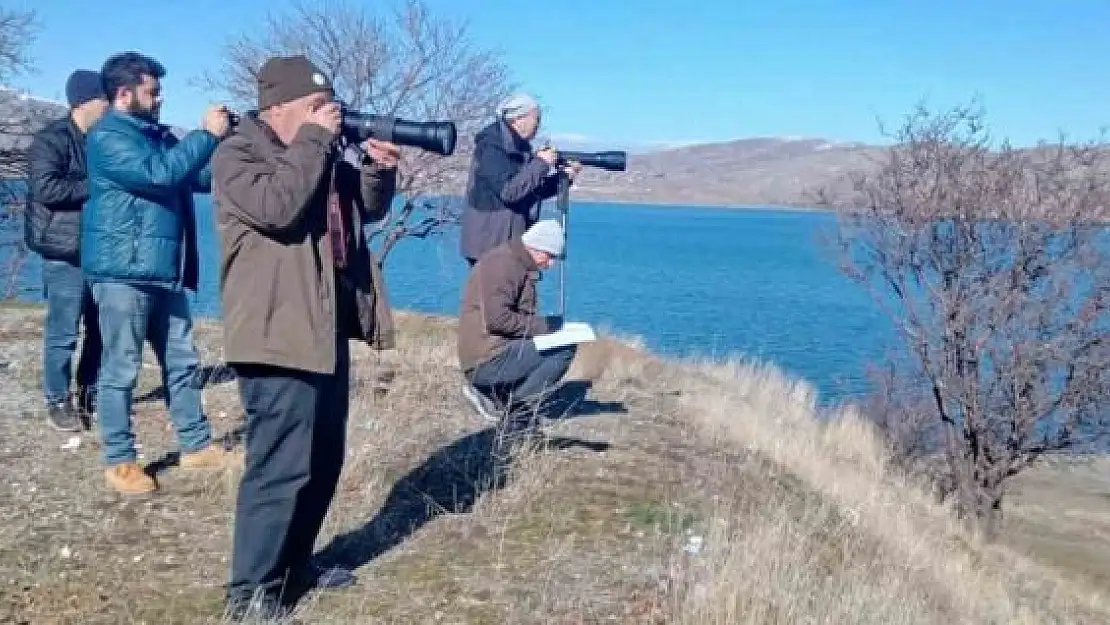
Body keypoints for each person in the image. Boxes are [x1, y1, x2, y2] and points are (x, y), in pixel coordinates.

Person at [210, 54, 400, 620]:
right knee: (280, 467)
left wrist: (378, 170)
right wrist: (317, 140)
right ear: (277, 108)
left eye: (330, 105)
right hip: (274, 331)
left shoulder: (315, 151)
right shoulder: (237, 154)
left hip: (323, 327)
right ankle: (249, 595)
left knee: (323, 458)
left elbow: (366, 209)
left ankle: (294, 568)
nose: (329, 114)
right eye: (315, 106)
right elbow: (279, 207)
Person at [81, 51, 238, 496]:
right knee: (121, 367)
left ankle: (195, 445)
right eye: (152, 91)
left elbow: (199, 177)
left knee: (183, 361)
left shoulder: (157, 135)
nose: (160, 98)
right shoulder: (108, 137)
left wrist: (225, 142)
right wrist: (205, 134)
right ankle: (120, 460)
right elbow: (160, 175)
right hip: (122, 272)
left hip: (162, 270)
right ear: (124, 94)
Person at [26, 69, 108, 431]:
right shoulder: (50, 141)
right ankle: (57, 400)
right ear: (87, 101)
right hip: (63, 249)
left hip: (100, 247)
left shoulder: (104, 138)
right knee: (64, 330)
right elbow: (47, 189)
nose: (110, 106)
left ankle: (89, 392)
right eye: (105, 100)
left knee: (101, 328)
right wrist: (97, 185)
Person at [457, 219, 577, 446]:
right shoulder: (503, 264)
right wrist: (545, 327)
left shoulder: (514, 262)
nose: (550, 264)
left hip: (494, 351)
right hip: (486, 359)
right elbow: (498, 320)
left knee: (556, 343)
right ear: (536, 247)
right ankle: (516, 415)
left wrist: (547, 326)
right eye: (549, 256)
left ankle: (503, 402)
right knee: (563, 350)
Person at [458, 92, 582, 266]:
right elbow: (509, 191)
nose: (539, 125)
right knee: (495, 292)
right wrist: (541, 163)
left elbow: (530, 191)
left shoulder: (520, 148)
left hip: (509, 241)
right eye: (536, 119)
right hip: (490, 245)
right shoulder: (491, 146)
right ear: (517, 119)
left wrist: (563, 178)